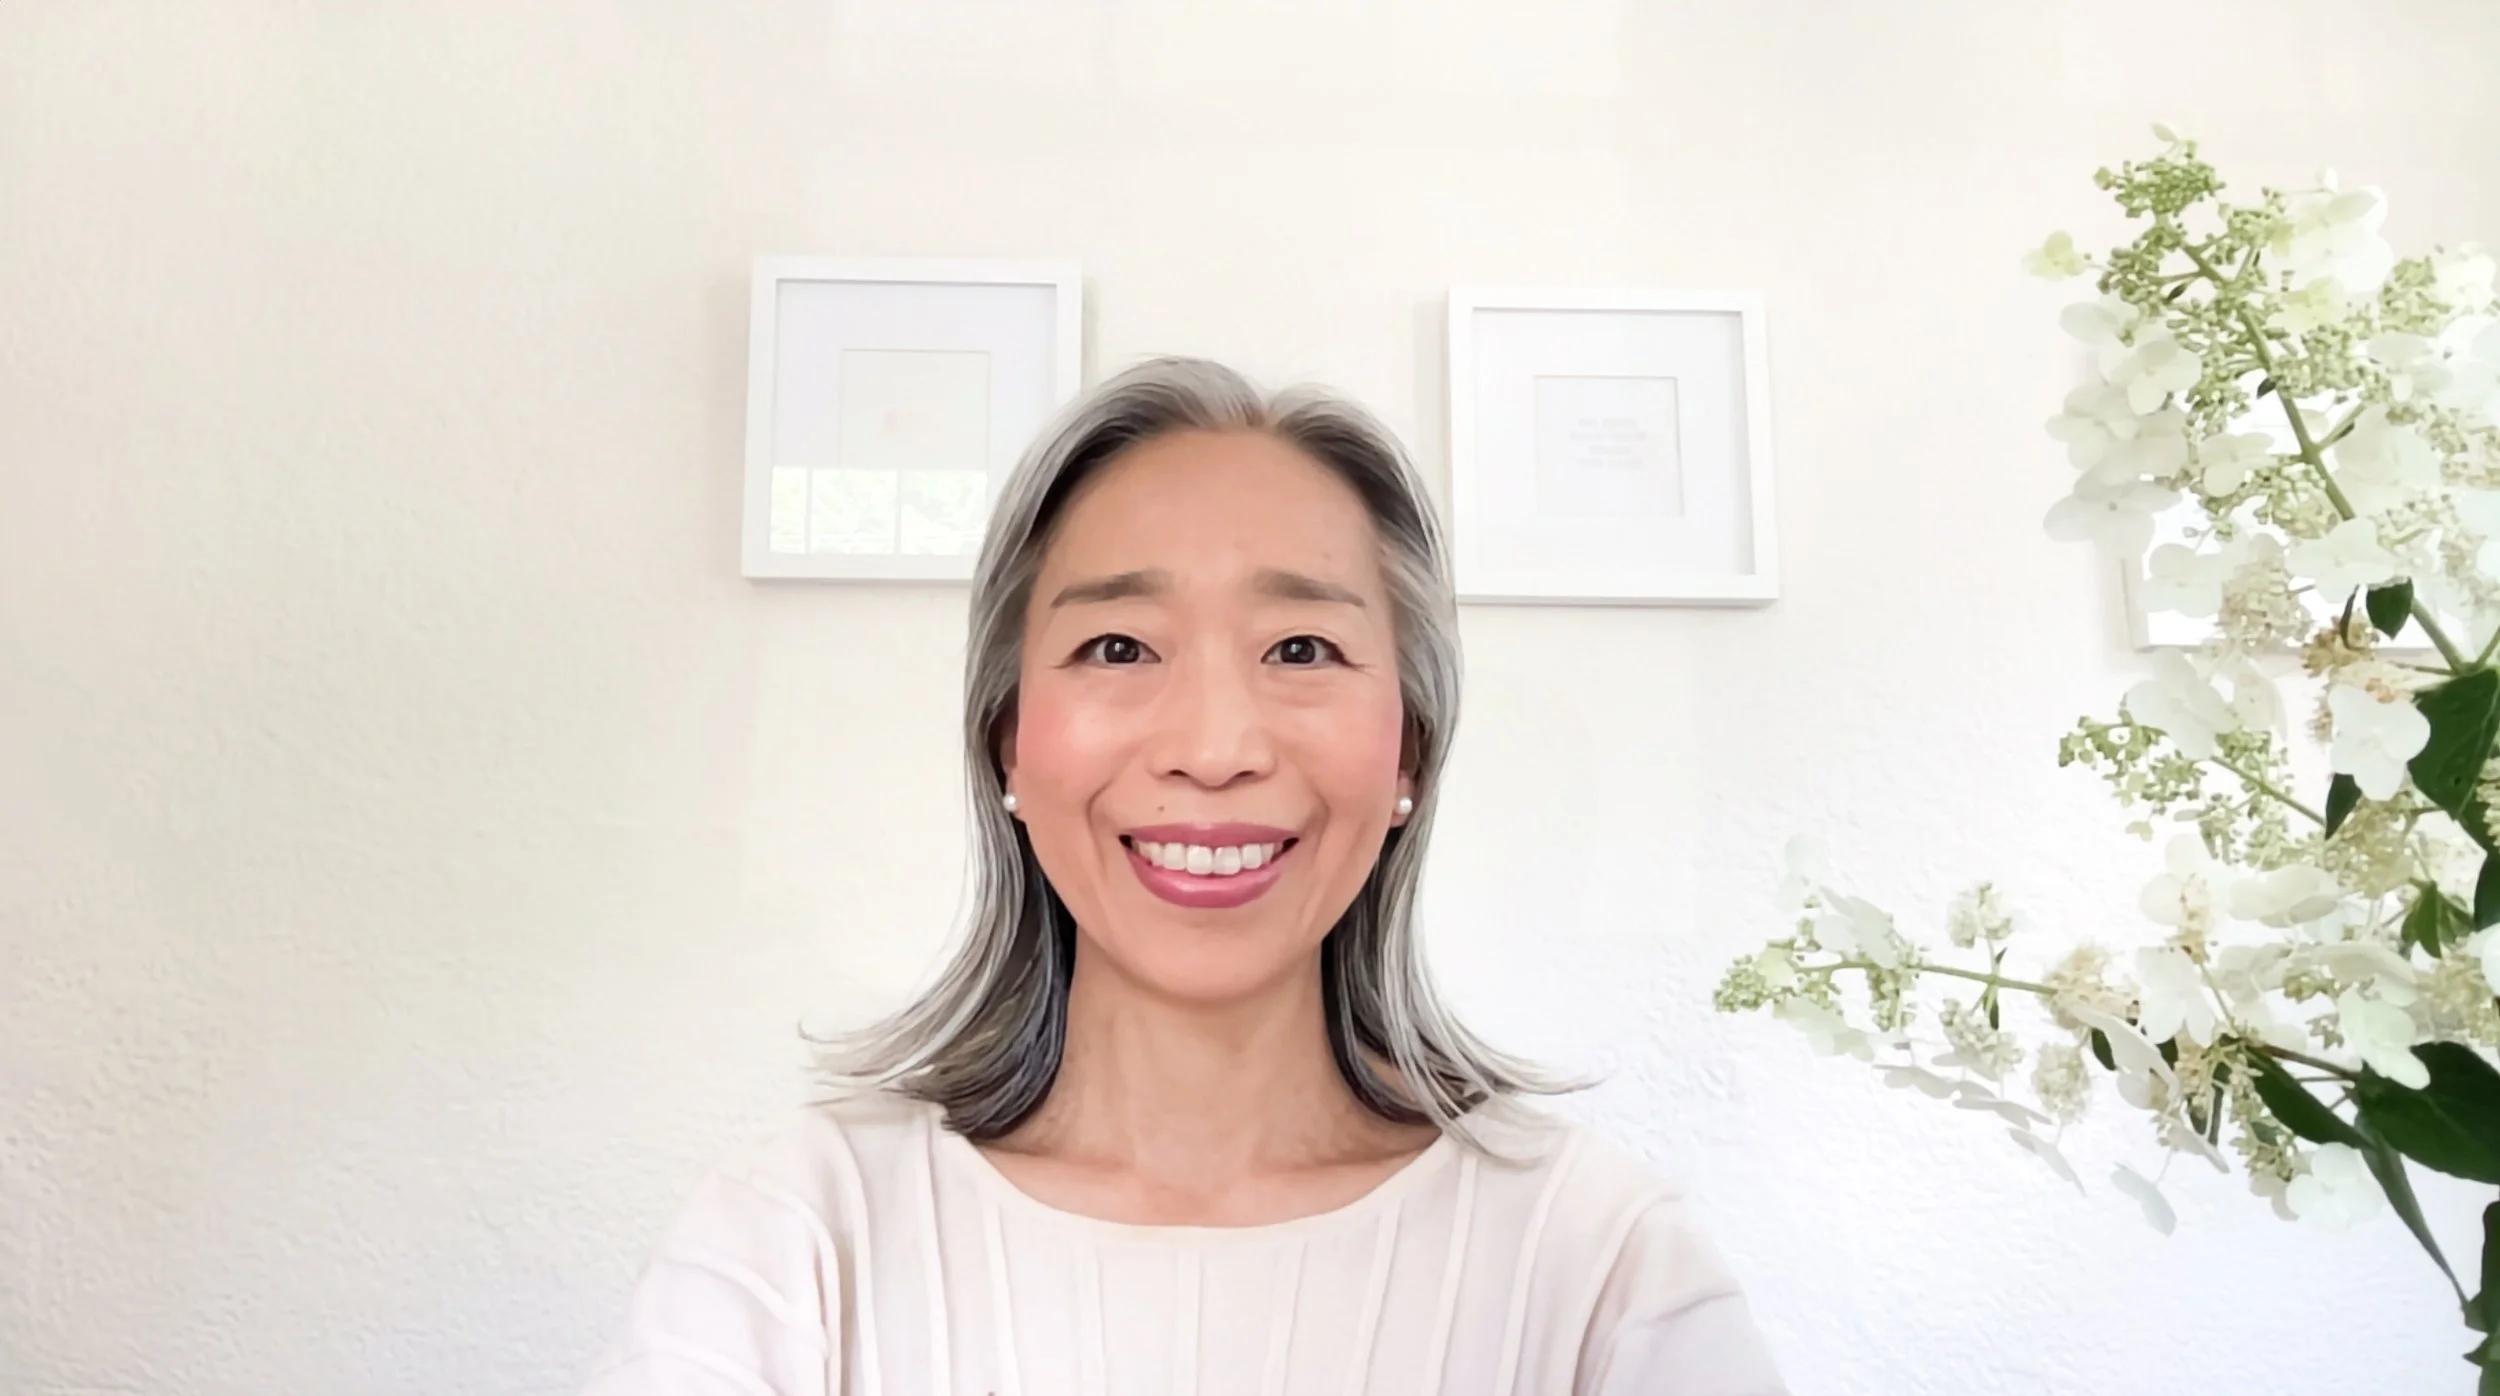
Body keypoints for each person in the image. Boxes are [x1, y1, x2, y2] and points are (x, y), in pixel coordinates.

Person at [581, 358, 1787, 1395]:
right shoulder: (801, 1237)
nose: (1213, 750)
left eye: (1301, 648)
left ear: (1408, 745)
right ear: (1009, 737)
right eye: (1117, 646)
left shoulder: (1598, 1262)